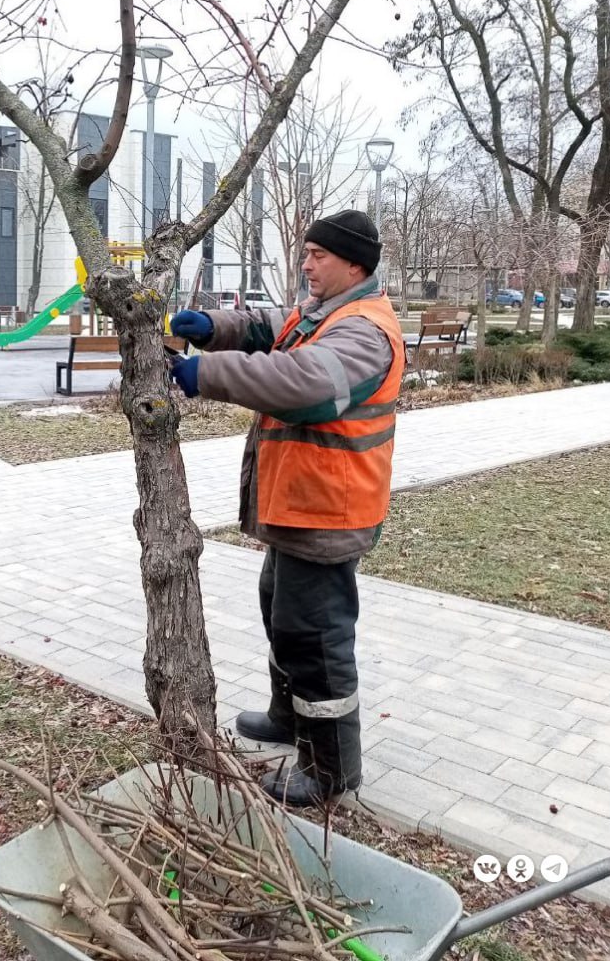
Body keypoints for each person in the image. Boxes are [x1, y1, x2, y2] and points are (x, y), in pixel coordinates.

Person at [168, 210, 405, 807]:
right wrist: (213, 328)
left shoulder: (364, 331)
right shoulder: (322, 313)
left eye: (318, 255)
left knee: (315, 637)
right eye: (305, 253)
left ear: (355, 264)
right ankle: (287, 717)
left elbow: (303, 383)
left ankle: (330, 770)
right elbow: (266, 326)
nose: (306, 263)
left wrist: (205, 373)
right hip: (301, 506)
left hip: (329, 509)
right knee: (281, 612)